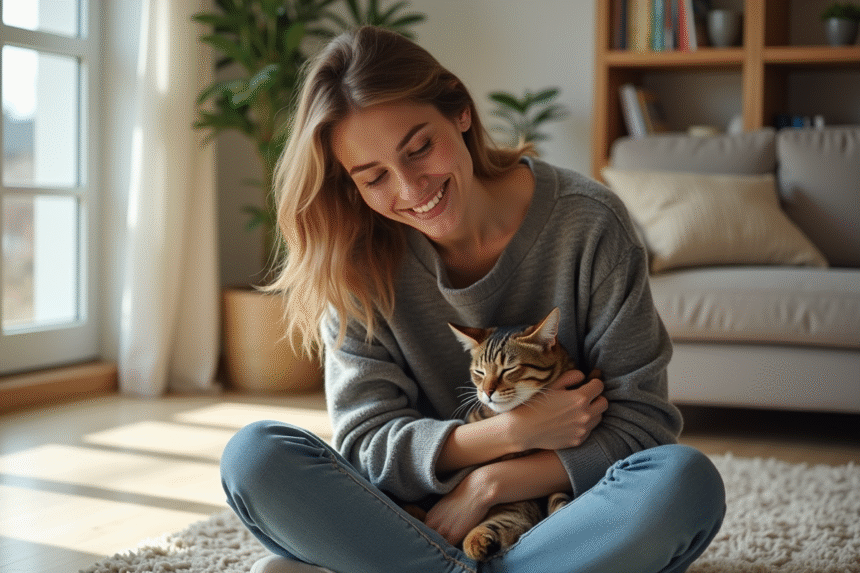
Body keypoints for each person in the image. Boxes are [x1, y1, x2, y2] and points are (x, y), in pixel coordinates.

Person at [220, 26, 725, 573]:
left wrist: (491, 484)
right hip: (416, 516)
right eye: (373, 177)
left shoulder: (589, 224)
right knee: (255, 457)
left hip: (553, 518)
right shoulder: (355, 259)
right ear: (349, 185)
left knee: (684, 482)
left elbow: (642, 427)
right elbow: (367, 445)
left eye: (419, 149)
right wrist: (510, 431)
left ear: (459, 110)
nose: (412, 191)